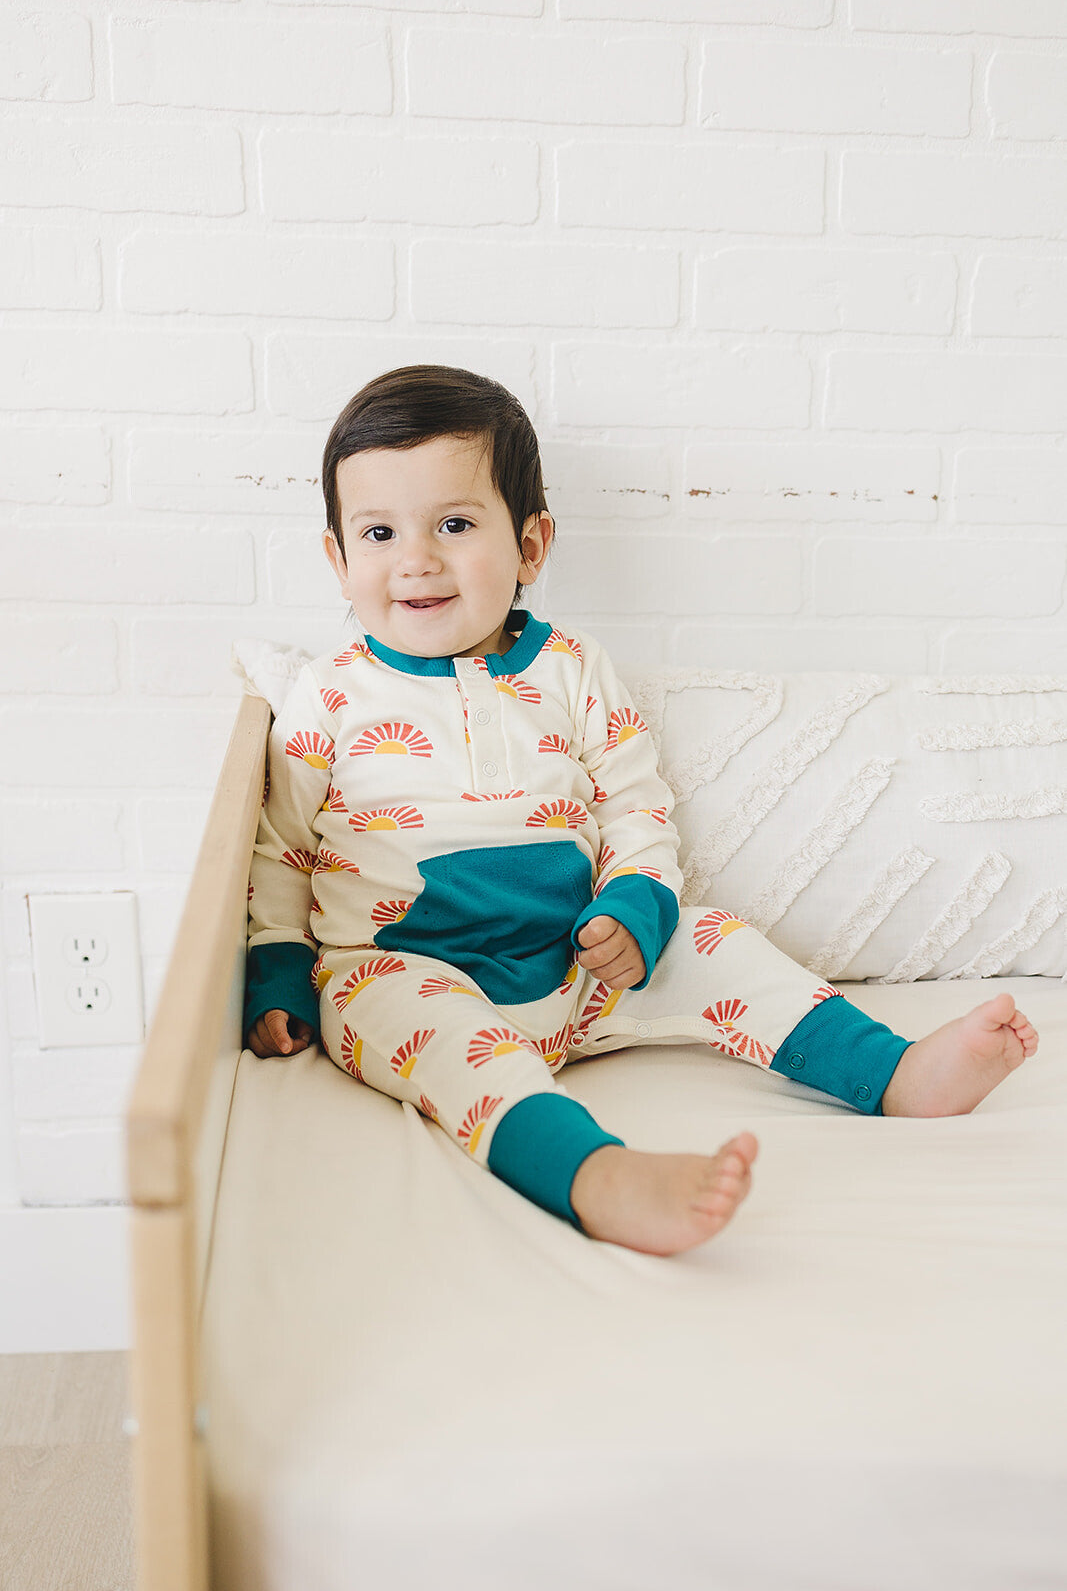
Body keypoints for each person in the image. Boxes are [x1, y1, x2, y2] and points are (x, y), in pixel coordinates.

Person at [243, 364, 1039, 1257]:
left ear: (530, 546)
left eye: (455, 525)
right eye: (379, 532)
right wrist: (277, 975)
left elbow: (633, 806)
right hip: (402, 972)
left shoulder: (571, 669)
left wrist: (634, 905)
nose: (415, 559)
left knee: (716, 941)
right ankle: (595, 1177)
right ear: (338, 559)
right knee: (460, 1052)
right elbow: (280, 851)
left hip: (577, 967)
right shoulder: (330, 694)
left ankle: (893, 1072)